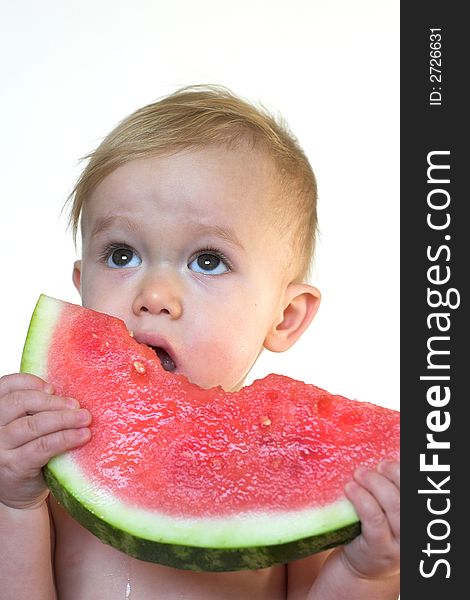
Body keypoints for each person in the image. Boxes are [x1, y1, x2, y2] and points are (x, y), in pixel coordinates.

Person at [0, 85, 400, 599]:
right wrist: (14, 505)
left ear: (285, 316)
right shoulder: (54, 470)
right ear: (80, 286)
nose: (155, 295)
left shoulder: (284, 471)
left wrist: (365, 574)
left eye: (207, 261)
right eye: (121, 255)